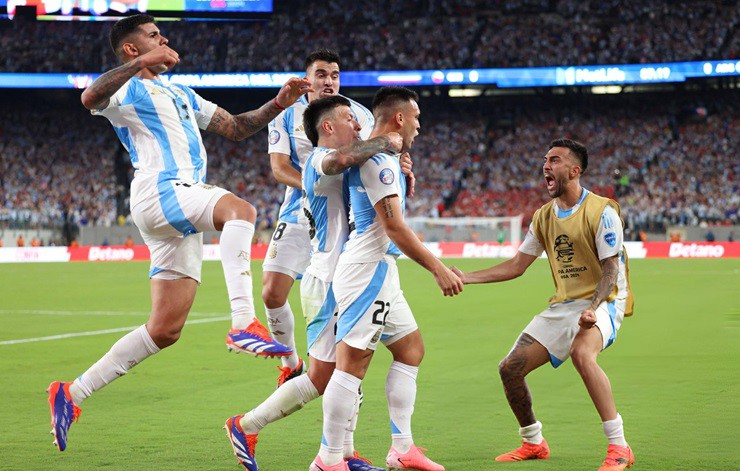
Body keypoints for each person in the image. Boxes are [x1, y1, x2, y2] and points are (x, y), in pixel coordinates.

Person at [47, 13, 312, 453]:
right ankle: (242, 321)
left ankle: (71, 394)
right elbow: (89, 96)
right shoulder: (127, 87)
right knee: (241, 210)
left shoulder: (181, 93)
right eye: (153, 36)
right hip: (161, 190)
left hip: (176, 207)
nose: (164, 39)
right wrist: (140, 63)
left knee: (165, 329)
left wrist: (279, 102)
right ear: (132, 49)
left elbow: (236, 127)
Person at [225, 96, 403, 471]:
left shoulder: (343, 163)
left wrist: (400, 170)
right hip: (327, 280)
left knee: (353, 366)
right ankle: (246, 425)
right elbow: (342, 160)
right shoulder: (319, 160)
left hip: (349, 276)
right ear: (327, 127)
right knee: (325, 376)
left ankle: (345, 453)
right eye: (350, 120)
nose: (358, 126)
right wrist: (385, 142)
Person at [451, 138, 635, 471]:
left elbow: (611, 269)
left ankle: (619, 447)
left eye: (555, 160)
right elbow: (516, 265)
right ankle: (533, 441)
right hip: (565, 303)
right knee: (510, 368)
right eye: (545, 160)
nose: (546, 165)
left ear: (575, 170)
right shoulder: (544, 216)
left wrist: (592, 307)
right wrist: (467, 277)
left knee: (582, 353)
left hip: (605, 298)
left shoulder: (602, 211)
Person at [311, 87, 463, 471]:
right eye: (415, 118)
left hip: (381, 270)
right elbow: (393, 228)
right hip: (367, 269)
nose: (418, 126)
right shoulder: (378, 160)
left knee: (411, 349)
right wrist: (438, 268)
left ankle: (402, 449)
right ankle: (328, 460)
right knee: (352, 364)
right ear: (398, 118)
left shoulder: (382, 157)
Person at [250, 49, 377, 387]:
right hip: (298, 210)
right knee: (271, 293)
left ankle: (342, 376)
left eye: (334, 75)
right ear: (307, 79)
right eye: (321, 74)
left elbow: (376, 154)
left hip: (341, 216)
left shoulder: (357, 113)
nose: (329, 81)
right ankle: (290, 363)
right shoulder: (284, 114)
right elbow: (279, 168)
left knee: (339, 301)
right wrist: (311, 185)